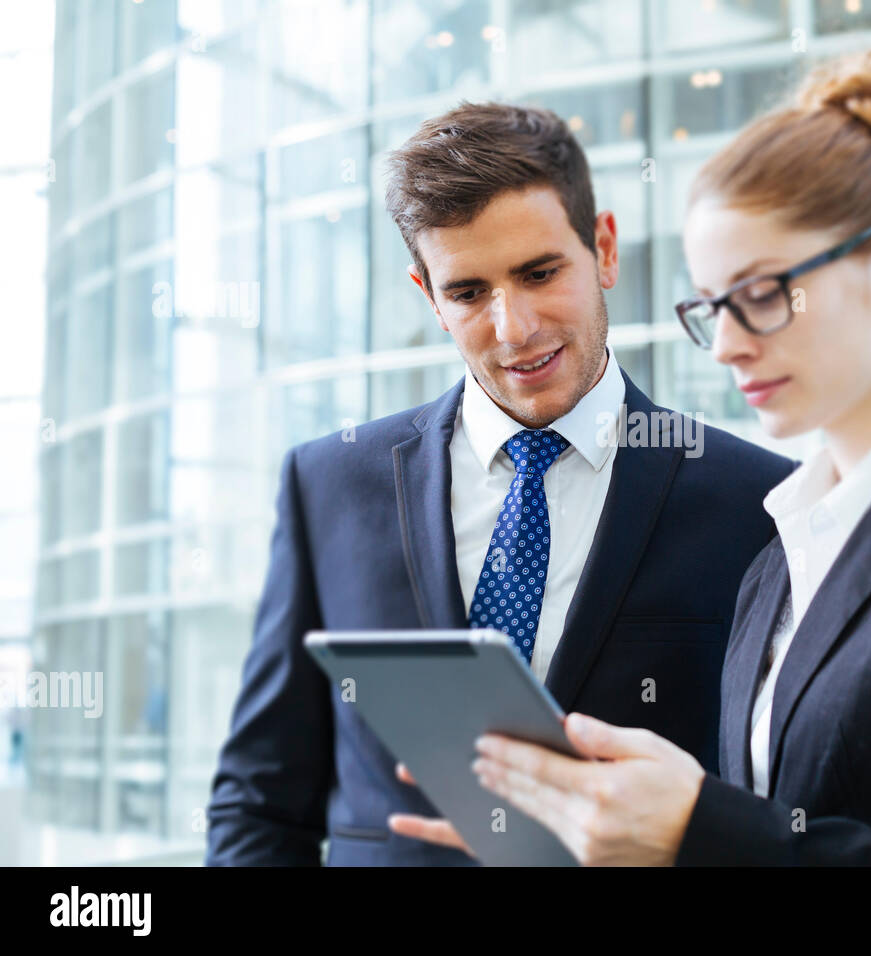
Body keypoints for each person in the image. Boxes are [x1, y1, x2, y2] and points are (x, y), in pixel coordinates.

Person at [395, 46, 871, 866]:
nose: (724, 346)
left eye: (761, 295)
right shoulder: (779, 555)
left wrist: (699, 829)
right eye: (711, 306)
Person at [204, 102, 795, 866]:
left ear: (604, 250)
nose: (512, 327)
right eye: (469, 292)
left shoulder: (761, 503)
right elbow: (258, 800)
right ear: (429, 298)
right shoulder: (329, 487)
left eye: (540, 273)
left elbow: (770, 806)